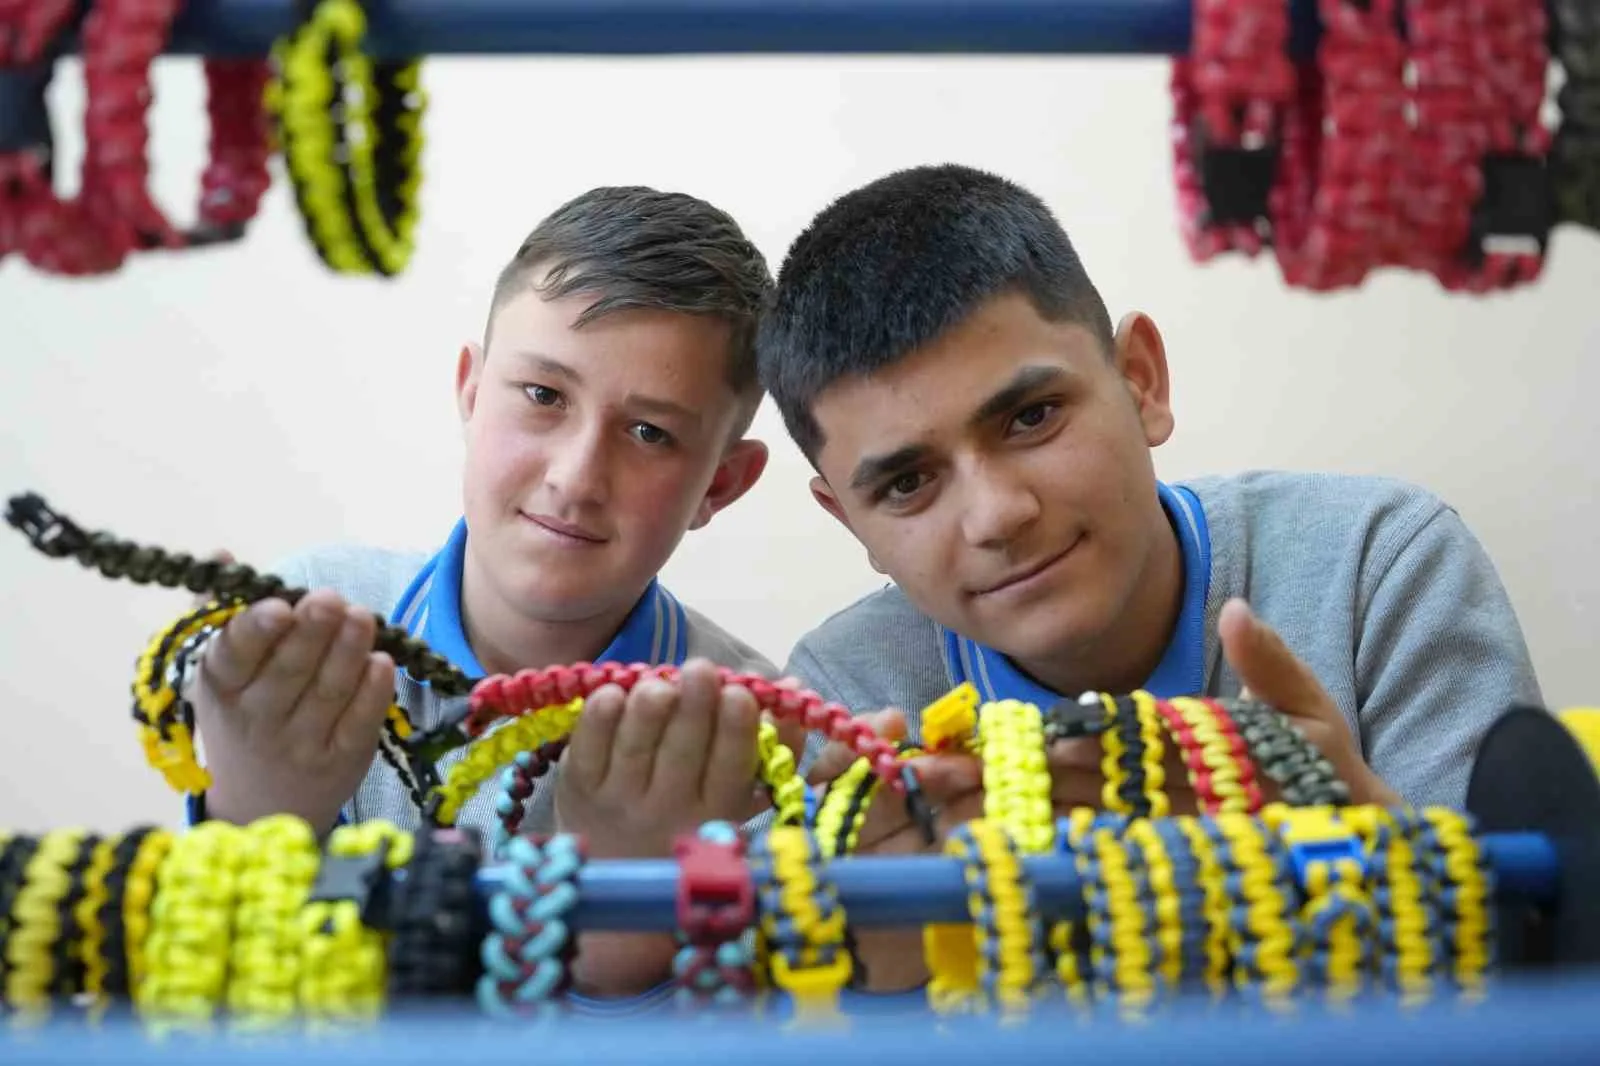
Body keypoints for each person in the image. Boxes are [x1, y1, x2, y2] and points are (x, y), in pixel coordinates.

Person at [755, 162, 1544, 991]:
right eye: (908, 483)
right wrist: (871, 983)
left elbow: (1542, 983)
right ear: (850, 521)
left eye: (1031, 417)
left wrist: (1373, 851)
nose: (996, 516)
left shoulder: (1376, 569)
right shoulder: (841, 705)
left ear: (1141, 380)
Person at [185, 184, 783, 1001]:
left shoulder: (761, 740)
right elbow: (203, 1004)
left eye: (650, 433)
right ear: (470, 389)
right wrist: (253, 817)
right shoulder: (304, 628)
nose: (575, 478)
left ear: (721, 483)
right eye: (543, 396)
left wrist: (627, 917)